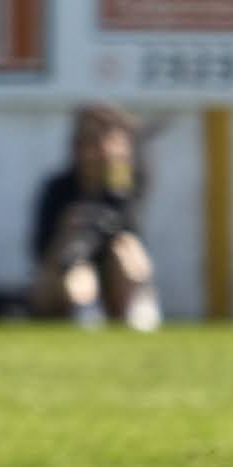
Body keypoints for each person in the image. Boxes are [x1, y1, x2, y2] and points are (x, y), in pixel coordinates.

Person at [32, 104, 159, 330]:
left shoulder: (122, 186)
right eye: (90, 141)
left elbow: (129, 231)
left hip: (112, 274)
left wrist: (117, 168)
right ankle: (86, 314)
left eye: (106, 139)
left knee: (127, 249)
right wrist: (70, 234)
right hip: (66, 273)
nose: (98, 149)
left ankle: (138, 308)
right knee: (80, 275)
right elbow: (41, 251)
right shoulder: (59, 189)